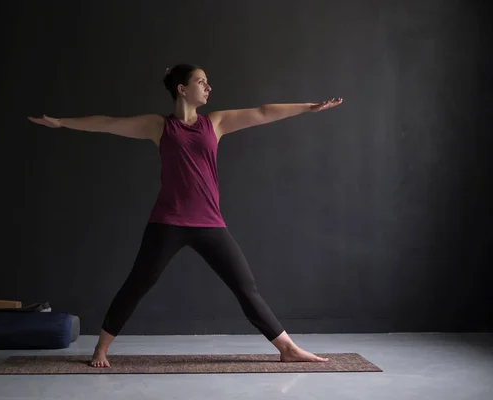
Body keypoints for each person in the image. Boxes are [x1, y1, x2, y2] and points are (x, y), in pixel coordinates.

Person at [28, 64, 343, 368]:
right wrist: (61, 122)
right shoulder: (159, 126)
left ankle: (287, 348)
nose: (208, 87)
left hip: (210, 223)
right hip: (168, 222)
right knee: (137, 284)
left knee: (246, 288)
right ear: (182, 89)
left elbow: (262, 113)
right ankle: (101, 347)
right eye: (201, 81)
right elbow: (108, 122)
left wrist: (307, 107)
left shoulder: (215, 122)